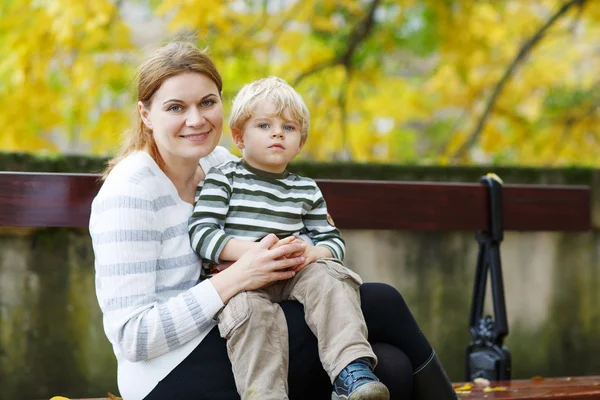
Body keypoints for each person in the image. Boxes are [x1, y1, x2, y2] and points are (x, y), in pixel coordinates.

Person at [89, 41, 458, 400]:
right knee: (382, 302)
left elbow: (282, 209)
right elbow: (133, 337)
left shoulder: (218, 166)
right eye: (175, 107)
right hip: (167, 370)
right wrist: (238, 276)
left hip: (236, 326)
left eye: (207, 102)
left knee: (391, 368)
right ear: (145, 114)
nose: (196, 119)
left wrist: (304, 246)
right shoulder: (129, 193)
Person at [188, 76, 389, 400]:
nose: (278, 133)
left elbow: (333, 240)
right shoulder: (224, 178)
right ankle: (265, 395)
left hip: (293, 273)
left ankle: (350, 371)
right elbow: (201, 231)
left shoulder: (305, 189)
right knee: (251, 315)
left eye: (289, 128)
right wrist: (252, 253)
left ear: (301, 142)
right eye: (264, 125)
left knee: (331, 276)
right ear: (239, 136)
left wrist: (312, 253)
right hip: (241, 280)